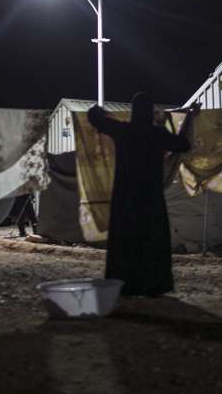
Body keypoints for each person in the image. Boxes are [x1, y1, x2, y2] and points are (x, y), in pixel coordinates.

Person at [88, 93, 198, 296]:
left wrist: (100, 111)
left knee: (126, 240)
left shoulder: (123, 130)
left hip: (126, 196)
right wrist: (190, 117)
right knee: (151, 240)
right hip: (150, 197)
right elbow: (183, 145)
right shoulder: (157, 134)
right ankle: (153, 285)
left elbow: (94, 118)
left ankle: (126, 284)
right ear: (150, 112)